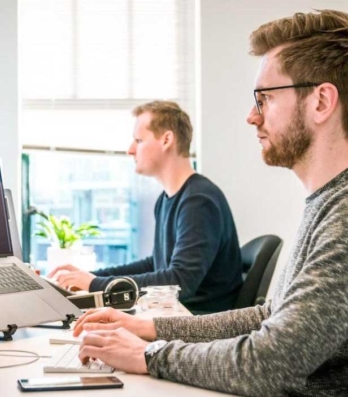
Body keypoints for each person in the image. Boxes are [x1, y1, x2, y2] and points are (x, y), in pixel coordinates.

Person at [71, 10, 348, 397]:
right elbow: (270, 317)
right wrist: (149, 328)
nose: (251, 116)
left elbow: (271, 363)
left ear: (321, 101)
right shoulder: (333, 200)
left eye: (265, 98)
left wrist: (150, 355)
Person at [49, 100, 243, 314]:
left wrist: (95, 285)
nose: (130, 150)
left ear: (166, 140)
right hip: (174, 315)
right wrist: (93, 277)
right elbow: (156, 264)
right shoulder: (167, 199)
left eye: (139, 140)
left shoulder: (199, 201)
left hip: (197, 324)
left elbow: (180, 283)